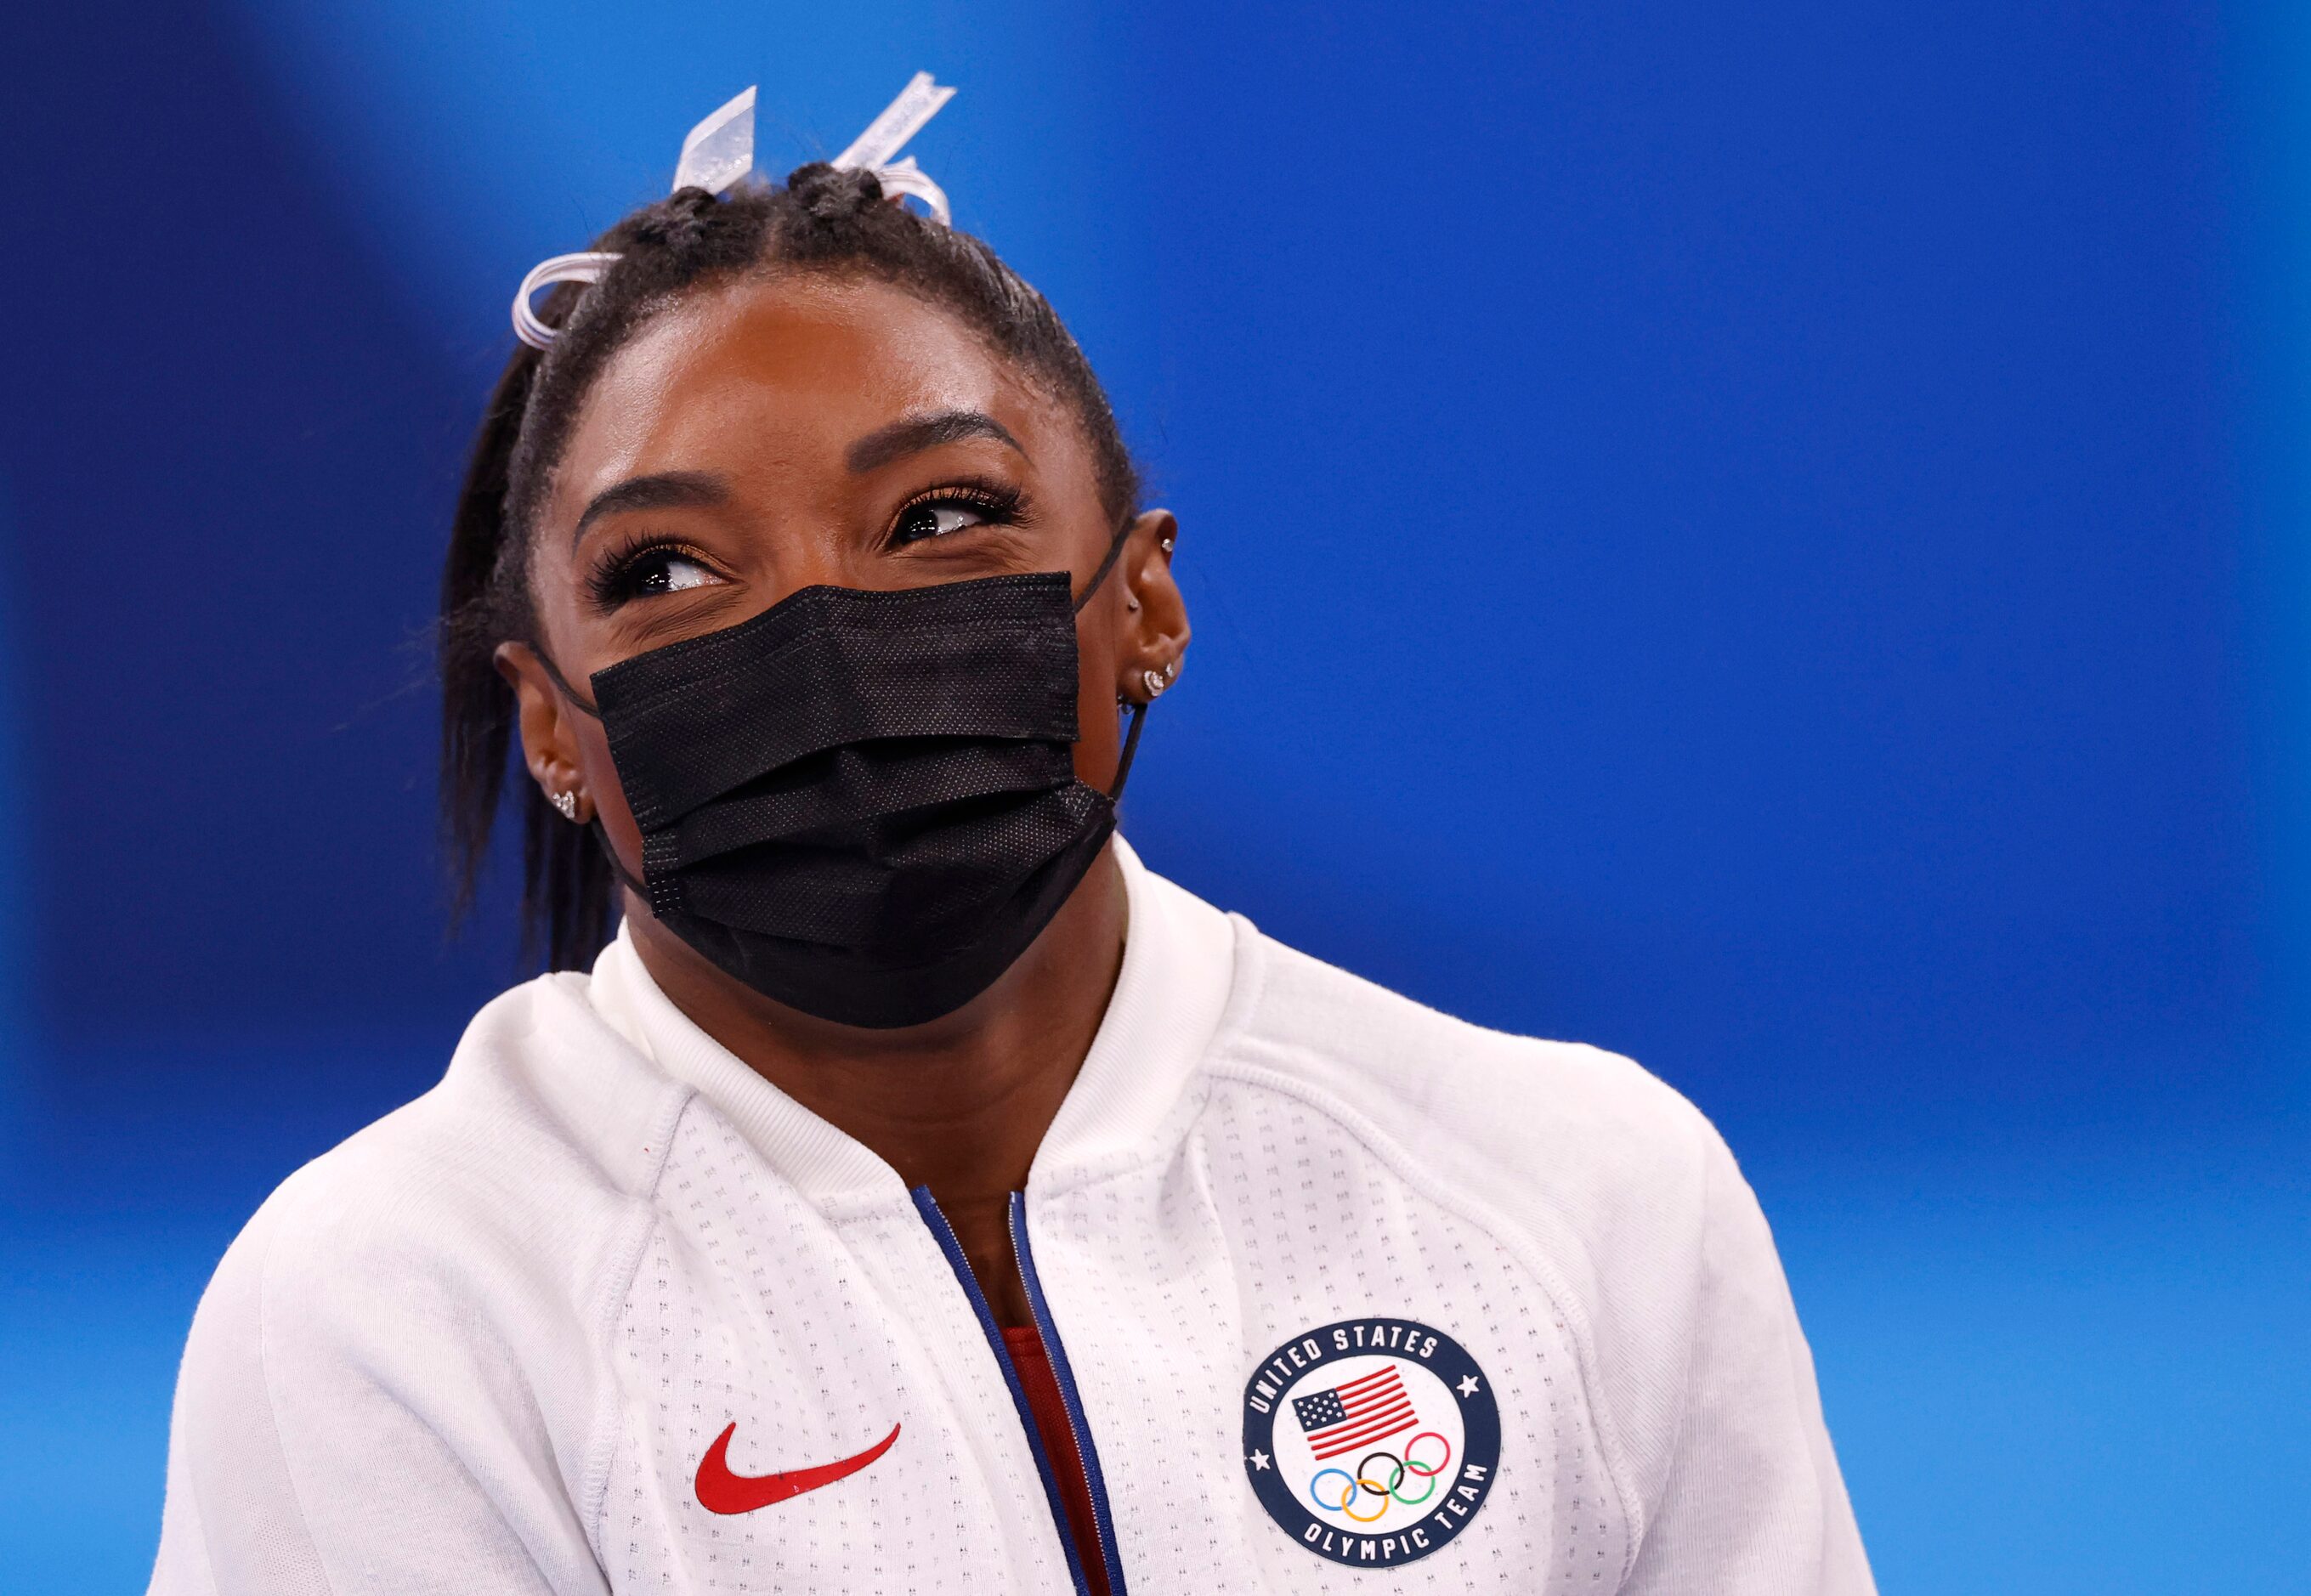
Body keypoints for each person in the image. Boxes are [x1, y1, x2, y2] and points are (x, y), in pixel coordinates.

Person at [149, 79, 1873, 1595]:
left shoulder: (1581, 1198)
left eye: (942, 517)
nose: (825, 640)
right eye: (663, 572)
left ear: (1144, 604)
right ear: (552, 730)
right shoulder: (399, 1316)